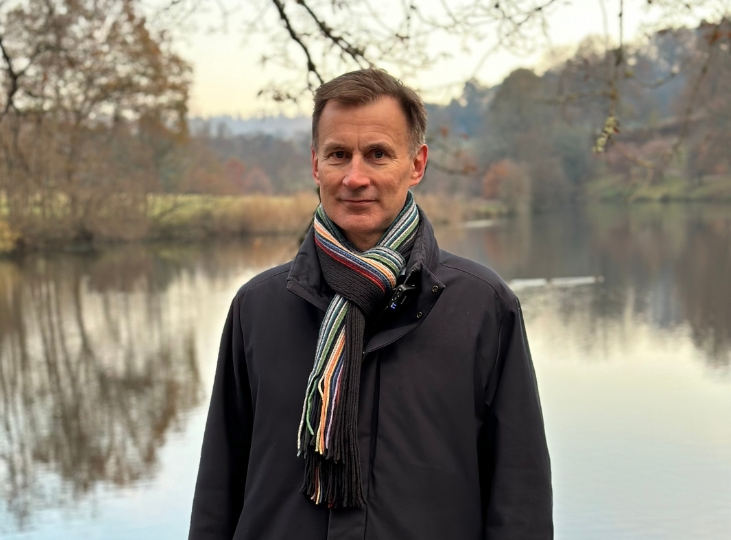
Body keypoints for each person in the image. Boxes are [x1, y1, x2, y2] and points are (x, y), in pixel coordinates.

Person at [188, 69, 552, 540]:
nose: (355, 177)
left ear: (416, 164)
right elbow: (219, 485)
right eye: (339, 155)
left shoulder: (483, 307)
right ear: (316, 165)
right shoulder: (257, 309)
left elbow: (518, 496)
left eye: (378, 154)